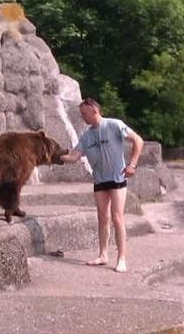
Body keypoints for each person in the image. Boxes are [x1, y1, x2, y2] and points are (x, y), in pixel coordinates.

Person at [61, 97, 144, 272]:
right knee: (102, 217)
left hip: (117, 179)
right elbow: (74, 156)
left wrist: (132, 165)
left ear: (94, 110)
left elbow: (138, 141)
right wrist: (53, 157)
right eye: (81, 114)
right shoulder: (87, 136)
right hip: (100, 180)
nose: (82, 117)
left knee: (117, 217)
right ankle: (103, 255)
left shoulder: (113, 125)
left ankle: (121, 258)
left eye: (84, 114)